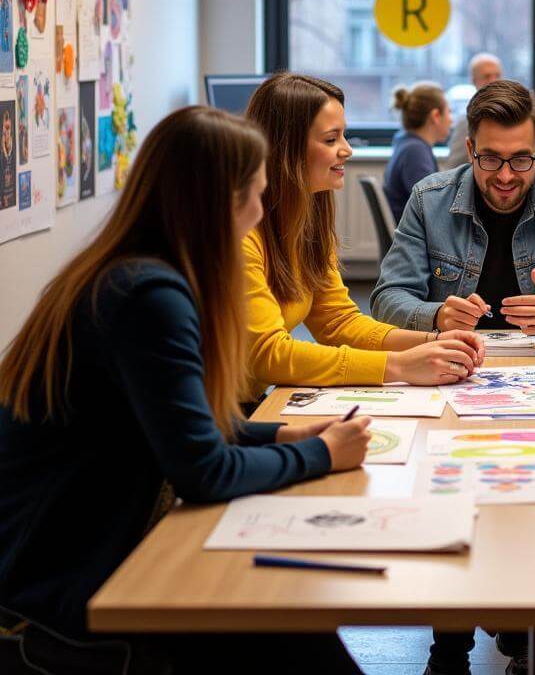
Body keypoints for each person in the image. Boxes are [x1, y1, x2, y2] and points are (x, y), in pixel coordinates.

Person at [0, 106, 371, 674]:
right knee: (294, 634)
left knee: (297, 629)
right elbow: (202, 469)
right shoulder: (150, 298)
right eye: (257, 196)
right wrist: (319, 453)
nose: (258, 215)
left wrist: (283, 432)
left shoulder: (127, 269)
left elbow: (177, 423)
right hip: (62, 592)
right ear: (221, 202)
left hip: (75, 552)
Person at [370, 79, 535, 675]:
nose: (505, 176)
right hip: (458, 377)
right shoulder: (431, 198)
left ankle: (525, 625)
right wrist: (433, 314)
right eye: (489, 159)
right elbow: (385, 296)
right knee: (449, 494)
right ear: (468, 147)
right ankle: (451, 649)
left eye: (520, 160)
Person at [244, 73, 482, 397]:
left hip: (251, 402)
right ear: (286, 149)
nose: (347, 150)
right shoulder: (243, 235)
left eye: (344, 136)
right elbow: (267, 354)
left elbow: (338, 323)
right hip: (219, 417)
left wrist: (434, 342)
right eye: (331, 140)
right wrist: (398, 366)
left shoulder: (307, 221)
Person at [384, 82, 452, 222]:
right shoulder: (415, 152)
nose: (451, 120)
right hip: (416, 239)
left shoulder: (407, 143)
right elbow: (432, 206)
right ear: (435, 115)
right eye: (449, 112)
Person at [444, 53, 503, 171]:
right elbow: (452, 168)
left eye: (497, 75)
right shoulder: (467, 121)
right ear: (474, 80)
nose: (494, 81)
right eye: (487, 76)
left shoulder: (511, 116)